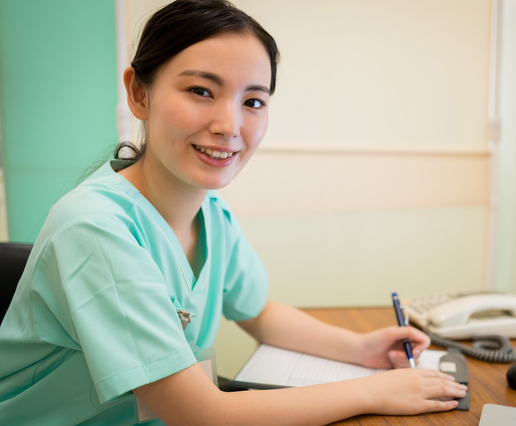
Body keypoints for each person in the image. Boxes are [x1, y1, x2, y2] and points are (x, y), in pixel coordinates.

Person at [0, 1, 467, 424]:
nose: (229, 125)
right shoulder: (95, 228)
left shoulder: (213, 216)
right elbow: (201, 413)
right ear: (139, 94)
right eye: (201, 91)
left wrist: (361, 349)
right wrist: (374, 392)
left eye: (253, 101)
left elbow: (259, 312)